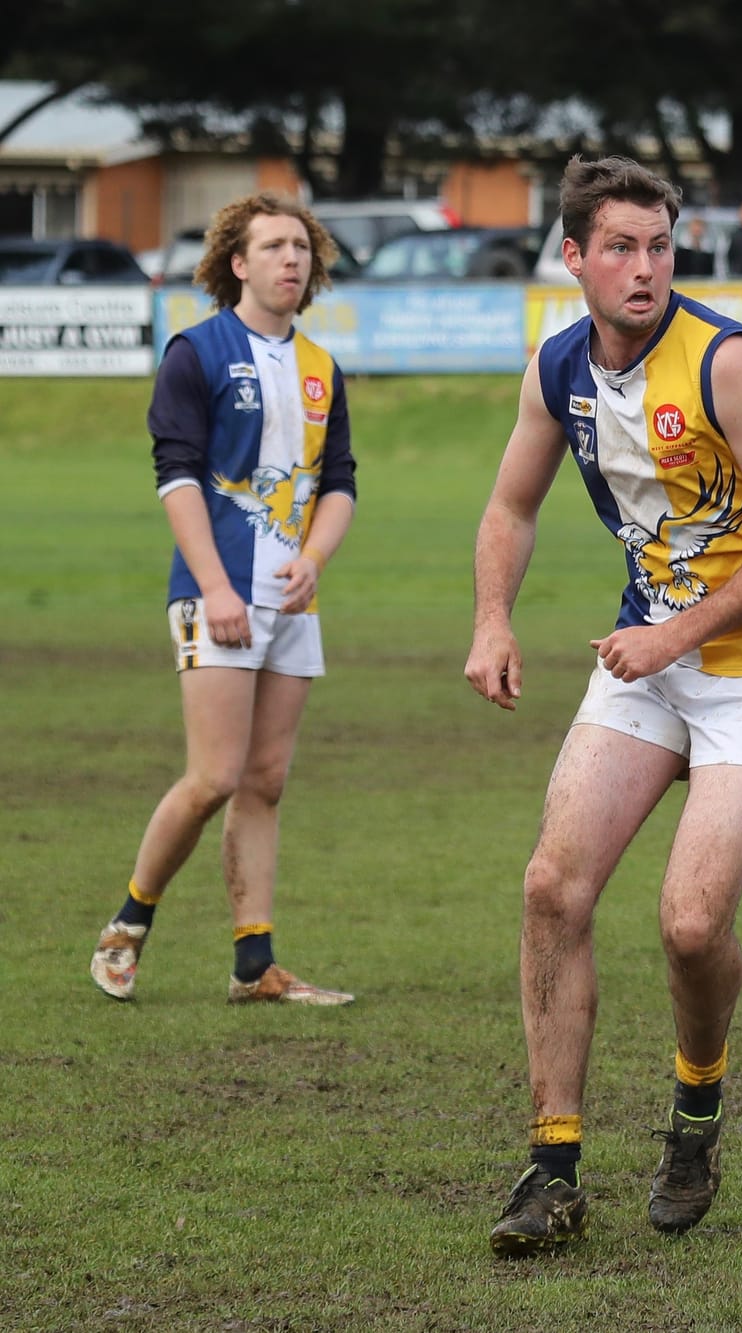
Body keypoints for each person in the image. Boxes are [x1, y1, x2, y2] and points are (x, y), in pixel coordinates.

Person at [467, 155, 742, 1257]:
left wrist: (675, 632)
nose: (643, 267)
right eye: (619, 246)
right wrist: (493, 617)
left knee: (688, 922)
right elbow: (509, 503)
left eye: (659, 244)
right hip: (651, 659)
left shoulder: (728, 363)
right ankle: (552, 1163)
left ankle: (695, 1112)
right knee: (551, 886)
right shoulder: (559, 368)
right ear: (571, 256)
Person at [88, 192, 358, 1008]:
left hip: (291, 601)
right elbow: (176, 477)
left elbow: (339, 483)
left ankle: (254, 964)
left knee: (266, 779)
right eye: (273, 247)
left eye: (301, 248)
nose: (291, 260)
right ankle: (126, 926)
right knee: (213, 776)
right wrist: (215, 587)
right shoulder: (196, 353)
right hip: (218, 592)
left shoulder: (321, 368)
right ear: (236, 264)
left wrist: (314, 558)